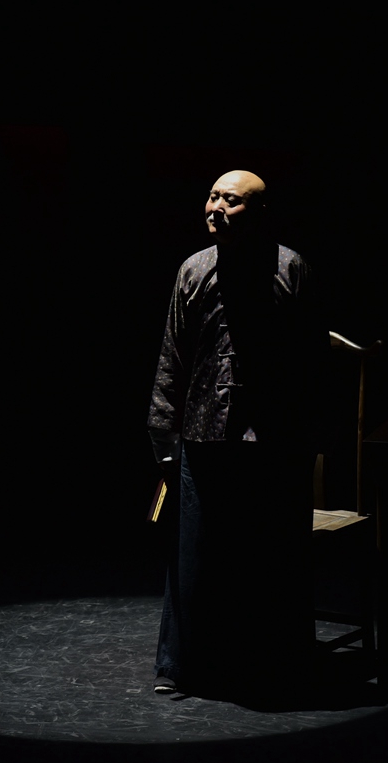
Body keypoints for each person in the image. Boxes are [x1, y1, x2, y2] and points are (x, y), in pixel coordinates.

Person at [147, 170, 328, 698]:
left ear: (260, 212)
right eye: (212, 197)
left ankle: (275, 665)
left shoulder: (291, 268)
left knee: (273, 554)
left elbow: (313, 361)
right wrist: (163, 433)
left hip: (276, 438)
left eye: (232, 200)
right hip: (205, 433)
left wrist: (311, 436)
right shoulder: (194, 270)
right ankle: (183, 666)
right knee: (195, 552)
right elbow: (173, 355)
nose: (217, 207)